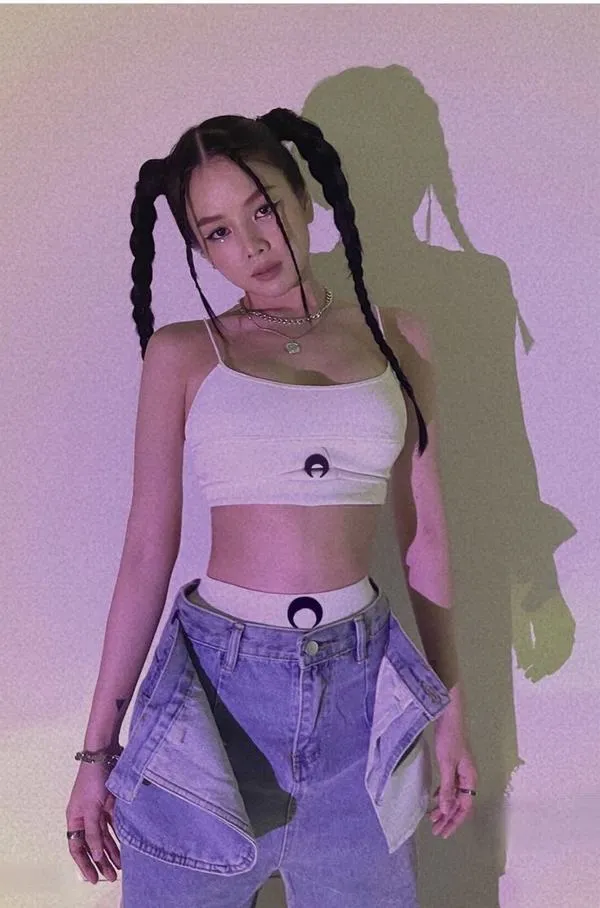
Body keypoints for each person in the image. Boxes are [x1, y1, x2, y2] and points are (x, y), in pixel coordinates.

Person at [65, 108, 478, 907]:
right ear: (199, 249)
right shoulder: (183, 352)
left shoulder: (399, 336)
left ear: (303, 195)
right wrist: (95, 755)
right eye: (218, 232)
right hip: (214, 705)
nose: (252, 245)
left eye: (264, 209)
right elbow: (147, 551)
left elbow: (424, 538)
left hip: (361, 698)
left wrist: (451, 713)